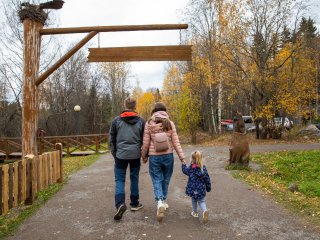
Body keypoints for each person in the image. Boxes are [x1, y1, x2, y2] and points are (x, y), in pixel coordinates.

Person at [141, 102, 185, 222]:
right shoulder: (170, 123)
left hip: (154, 156)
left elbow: (145, 143)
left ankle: (160, 201)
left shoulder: (149, 123)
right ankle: (163, 200)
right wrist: (182, 157)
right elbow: (176, 142)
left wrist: (144, 156)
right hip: (168, 155)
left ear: (154, 111)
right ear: (164, 111)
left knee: (156, 179)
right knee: (166, 178)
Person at [109, 97, 145, 220]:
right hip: (135, 155)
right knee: (134, 178)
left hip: (120, 155)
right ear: (135, 106)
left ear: (125, 105)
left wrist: (115, 154)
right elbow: (144, 140)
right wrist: (143, 154)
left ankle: (120, 204)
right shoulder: (141, 121)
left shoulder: (116, 121)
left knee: (119, 180)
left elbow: (111, 139)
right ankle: (134, 203)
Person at [182, 150, 211, 224]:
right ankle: (205, 211)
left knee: (194, 199)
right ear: (201, 159)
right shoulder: (203, 168)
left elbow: (185, 171)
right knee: (201, 201)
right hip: (201, 189)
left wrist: (183, 164)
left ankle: (195, 212)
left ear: (192, 159)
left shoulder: (191, 168)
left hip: (193, 188)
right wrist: (208, 188)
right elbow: (207, 179)